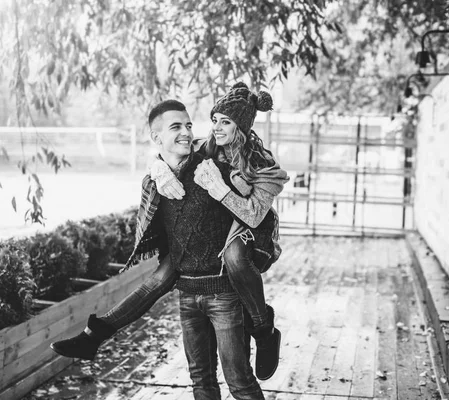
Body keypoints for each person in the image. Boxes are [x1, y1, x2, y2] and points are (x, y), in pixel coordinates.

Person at [51, 85, 288, 382]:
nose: (215, 127)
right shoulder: (207, 147)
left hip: (251, 231)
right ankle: (94, 335)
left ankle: (264, 330)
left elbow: (254, 214)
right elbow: (173, 153)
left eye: (225, 122)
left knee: (235, 257)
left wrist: (220, 189)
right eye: (214, 119)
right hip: (206, 255)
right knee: (160, 278)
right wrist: (157, 169)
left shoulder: (263, 165)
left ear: (240, 126)